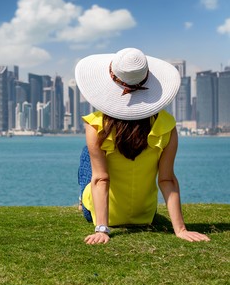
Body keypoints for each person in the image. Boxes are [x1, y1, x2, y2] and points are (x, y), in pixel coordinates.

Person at [75, 47, 210, 244]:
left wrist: (102, 229)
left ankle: (82, 201)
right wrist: (180, 229)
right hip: (145, 215)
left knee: (87, 153)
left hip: (105, 216)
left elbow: (101, 179)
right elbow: (167, 180)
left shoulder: (96, 125)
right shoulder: (166, 125)